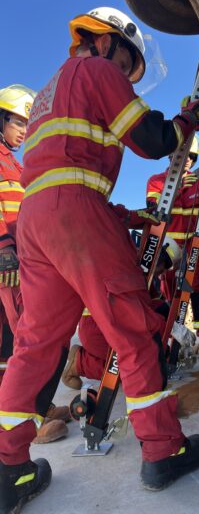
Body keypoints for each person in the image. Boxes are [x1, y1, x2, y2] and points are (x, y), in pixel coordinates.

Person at [0, 7, 199, 512]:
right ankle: (164, 450)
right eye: (128, 63)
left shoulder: (53, 91)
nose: (126, 75)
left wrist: (122, 215)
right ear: (110, 44)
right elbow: (151, 140)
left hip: (38, 222)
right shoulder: (95, 71)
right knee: (133, 331)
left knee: (35, 346)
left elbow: (64, 172)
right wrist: (188, 121)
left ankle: (10, 470)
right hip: (75, 215)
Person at [0, 85, 70, 446]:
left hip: (20, 259)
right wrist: (3, 247)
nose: (24, 130)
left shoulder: (14, 162)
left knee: (14, 342)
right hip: (7, 263)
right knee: (27, 342)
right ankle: (28, 420)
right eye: (18, 121)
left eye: (28, 122)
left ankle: (37, 408)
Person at [61, 235, 185, 388]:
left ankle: (82, 356)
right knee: (135, 368)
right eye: (163, 265)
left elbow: (153, 305)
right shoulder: (128, 268)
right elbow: (136, 314)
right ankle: (79, 364)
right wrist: (169, 328)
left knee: (151, 348)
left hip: (106, 324)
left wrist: (170, 328)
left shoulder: (142, 271)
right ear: (156, 255)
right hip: (98, 329)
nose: (162, 271)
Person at [146, 134, 199, 365]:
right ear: (171, 155)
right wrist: (177, 187)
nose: (188, 159)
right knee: (171, 297)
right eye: (183, 154)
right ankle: (174, 344)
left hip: (194, 245)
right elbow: (155, 210)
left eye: (192, 156)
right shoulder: (157, 181)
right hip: (168, 248)